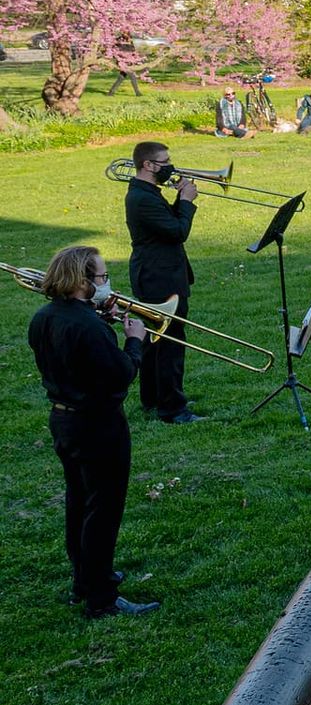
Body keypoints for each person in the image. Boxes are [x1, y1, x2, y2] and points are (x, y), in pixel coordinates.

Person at [27, 245, 160, 618]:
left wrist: (101, 320)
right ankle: (101, 598)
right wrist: (135, 340)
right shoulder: (89, 328)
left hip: (64, 421)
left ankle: (84, 580)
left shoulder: (44, 317)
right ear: (83, 281)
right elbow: (120, 376)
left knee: (79, 501)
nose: (106, 283)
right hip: (98, 426)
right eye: (102, 277)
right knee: (103, 510)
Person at [123, 141, 202, 424]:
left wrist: (177, 201)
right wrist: (186, 202)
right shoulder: (142, 198)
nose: (170, 165)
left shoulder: (146, 192)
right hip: (160, 277)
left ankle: (154, 396)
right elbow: (177, 231)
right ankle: (172, 409)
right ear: (148, 165)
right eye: (164, 161)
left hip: (156, 273)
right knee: (170, 341)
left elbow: (164, 225)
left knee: (155, 340)